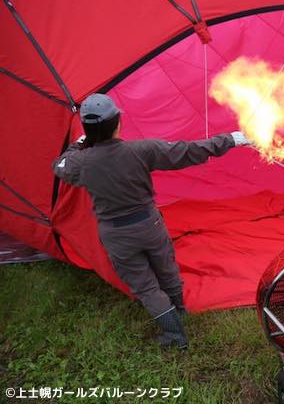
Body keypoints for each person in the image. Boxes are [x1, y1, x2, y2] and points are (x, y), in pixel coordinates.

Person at [52, 93, 252, 349]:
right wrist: (233, 139)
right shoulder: (141, 150)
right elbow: (190, 151)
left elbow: (60, 166)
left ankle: (175, 335)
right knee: (166, 267)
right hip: (149, 224)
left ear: (89, 130)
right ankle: (179, 310)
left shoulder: (81, 162)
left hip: (116, 234)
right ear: (117, 123)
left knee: (145, 286)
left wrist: (78, 143)